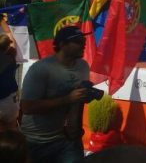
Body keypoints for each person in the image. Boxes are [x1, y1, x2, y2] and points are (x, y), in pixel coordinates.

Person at [20, 26, 91, 163]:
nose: (84, 44)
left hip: (67, 140)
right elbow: (27, 107)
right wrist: (67, 99)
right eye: (78, 41)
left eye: (83, 40)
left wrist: (86, 96)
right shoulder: (41, 69)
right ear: (62, 44)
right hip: (36, 141)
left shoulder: (83, 67)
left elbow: (77, 102)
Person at [0, 33, 19, 128]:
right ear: (7, 46)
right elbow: (13, 43)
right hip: (8, 100)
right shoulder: (11, 57)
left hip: (5, 99)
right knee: (11, 129)